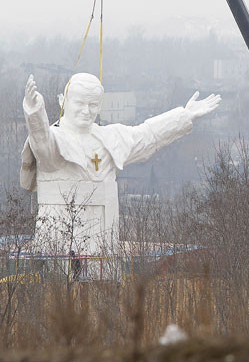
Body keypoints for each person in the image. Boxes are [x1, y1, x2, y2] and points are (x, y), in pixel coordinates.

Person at [21, 72, 221, 256]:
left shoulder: (110, 138)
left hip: (103, 252)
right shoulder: (54, 141)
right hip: (57, 249)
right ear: (64, 102)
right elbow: (41, 140)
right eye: (80, 103)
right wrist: (35, 111)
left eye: (93, 104)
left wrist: (185, 115)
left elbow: (148, 135)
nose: (86, 110)